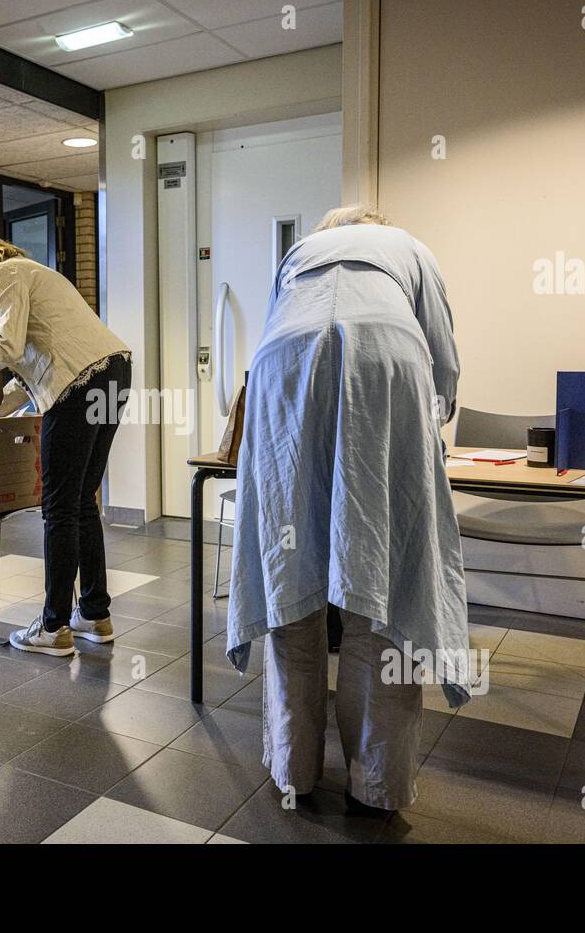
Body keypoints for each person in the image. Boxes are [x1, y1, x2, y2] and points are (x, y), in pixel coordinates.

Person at [226, 204, 472, 813]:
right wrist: (424, 432)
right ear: (375, 223)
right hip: (385, 360)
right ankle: (377, 783)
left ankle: (295, 769)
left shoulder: (298, 254)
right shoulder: (408, 245)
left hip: (283, 365)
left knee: (290, 575)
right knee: (380, 579)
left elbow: (269, 328)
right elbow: (443, 364)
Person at [0, 230, 131, 656]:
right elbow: (30, 363)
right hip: (112, 374)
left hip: (77, 384)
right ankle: (94, 614)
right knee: (83, 500)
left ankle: (53, 626)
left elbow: (5, 346)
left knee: (59, 507)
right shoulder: (35, 273)